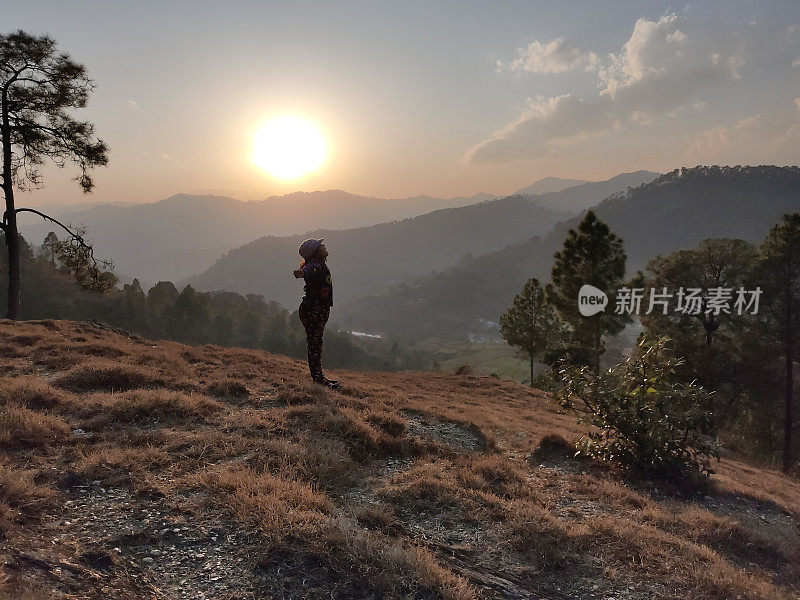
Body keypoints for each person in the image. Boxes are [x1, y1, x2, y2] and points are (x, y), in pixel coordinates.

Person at [293, 238, 340, 389]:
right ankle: (318, 380)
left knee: (316, 344)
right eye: (320, 245)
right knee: (315, 345)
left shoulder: (319, 264)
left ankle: (319, 377)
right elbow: (308, 271)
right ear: (314, 252)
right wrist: (301, 273)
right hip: (314, 309)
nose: (324, 246)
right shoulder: (315, 265)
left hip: (315, 309)